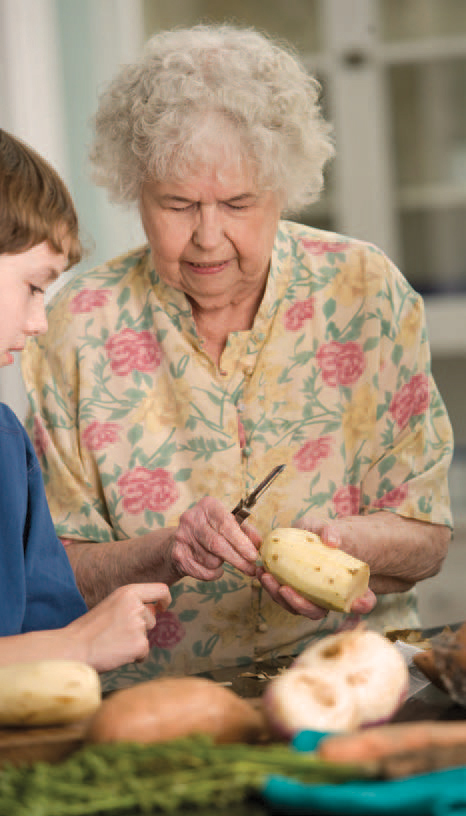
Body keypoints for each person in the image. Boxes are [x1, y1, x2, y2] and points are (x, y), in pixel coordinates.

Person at [21, 24, 453, 686]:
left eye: (238, 203)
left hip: (358, 682)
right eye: (178, 204)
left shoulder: (366, 292)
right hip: (159, 704)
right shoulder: (73, 326)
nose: (208, 236)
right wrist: (168, 548)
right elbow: (53, 574)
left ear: (283, 188)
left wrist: (345, 545)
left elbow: (427, 538)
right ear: (134, 189)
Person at [0, 128, 171, 672]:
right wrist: (77, 645)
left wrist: (87, 635)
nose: (39, 321)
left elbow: (45, 634)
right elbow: (60, 647)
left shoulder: (7, 444)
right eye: (33, 286)